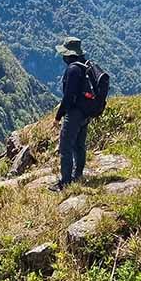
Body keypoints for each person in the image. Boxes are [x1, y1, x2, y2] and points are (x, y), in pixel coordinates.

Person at [50, 37, 90, 192]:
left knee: (65, 146)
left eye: (64, 54)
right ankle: (78, 175)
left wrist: (58, 116)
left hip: (74, 113)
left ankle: (65, 182)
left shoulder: (73, 70)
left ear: (69, 55)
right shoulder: (84, 66)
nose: (63, 57)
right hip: (85, 112)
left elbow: (68, 97)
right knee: (79, 145)